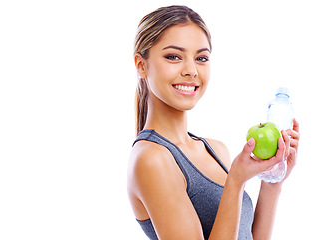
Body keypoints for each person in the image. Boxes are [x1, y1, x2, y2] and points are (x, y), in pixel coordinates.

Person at [127, 5, 300, 240]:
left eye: (201, 58)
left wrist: (273, 180)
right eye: (174, 56)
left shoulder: (216, 149)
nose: (191, 70)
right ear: (141, 65)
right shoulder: (151, 159)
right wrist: (236, 181)